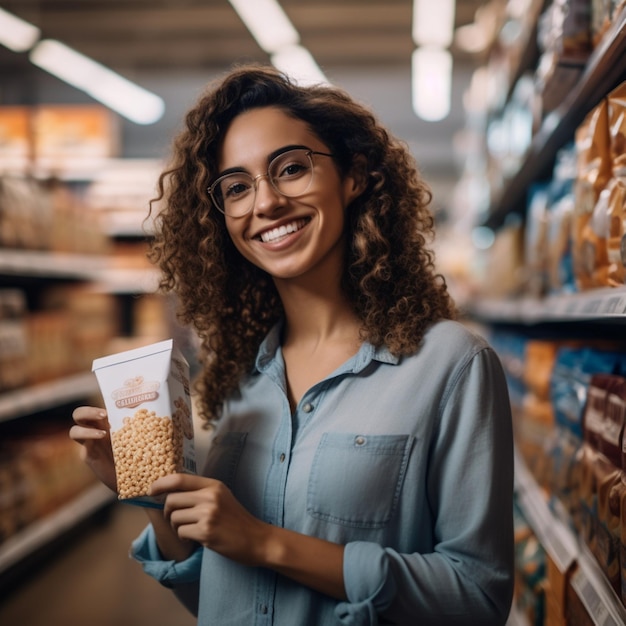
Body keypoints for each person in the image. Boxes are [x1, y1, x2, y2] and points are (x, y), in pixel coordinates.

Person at [71, 63, 514, 626]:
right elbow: (221, 599)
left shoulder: (450, 364)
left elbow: (477, 598)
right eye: (237, 187)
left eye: (291, 169)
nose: (266, 202)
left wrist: (263, 541)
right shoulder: (237, 378)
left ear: (353, 176)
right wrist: (158, 500)